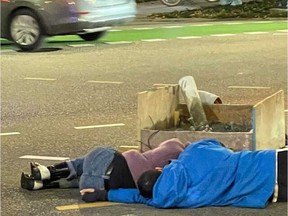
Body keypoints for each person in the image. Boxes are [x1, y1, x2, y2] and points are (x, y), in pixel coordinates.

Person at [107, 139, 287, 208]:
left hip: (268, 191)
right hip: (270, 162)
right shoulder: (193, 153)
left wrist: (106, 194)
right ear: (159, 169)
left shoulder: (173, 199)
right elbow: (215, 143)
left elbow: (140, 197)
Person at [20, 138, 186, 202]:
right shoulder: (167, 185)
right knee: (87, 176)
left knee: (100, 155)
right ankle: (41, 184)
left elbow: (170, 143)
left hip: (100, 163)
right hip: (95, 184)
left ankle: (48, 171)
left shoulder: (176, 147)